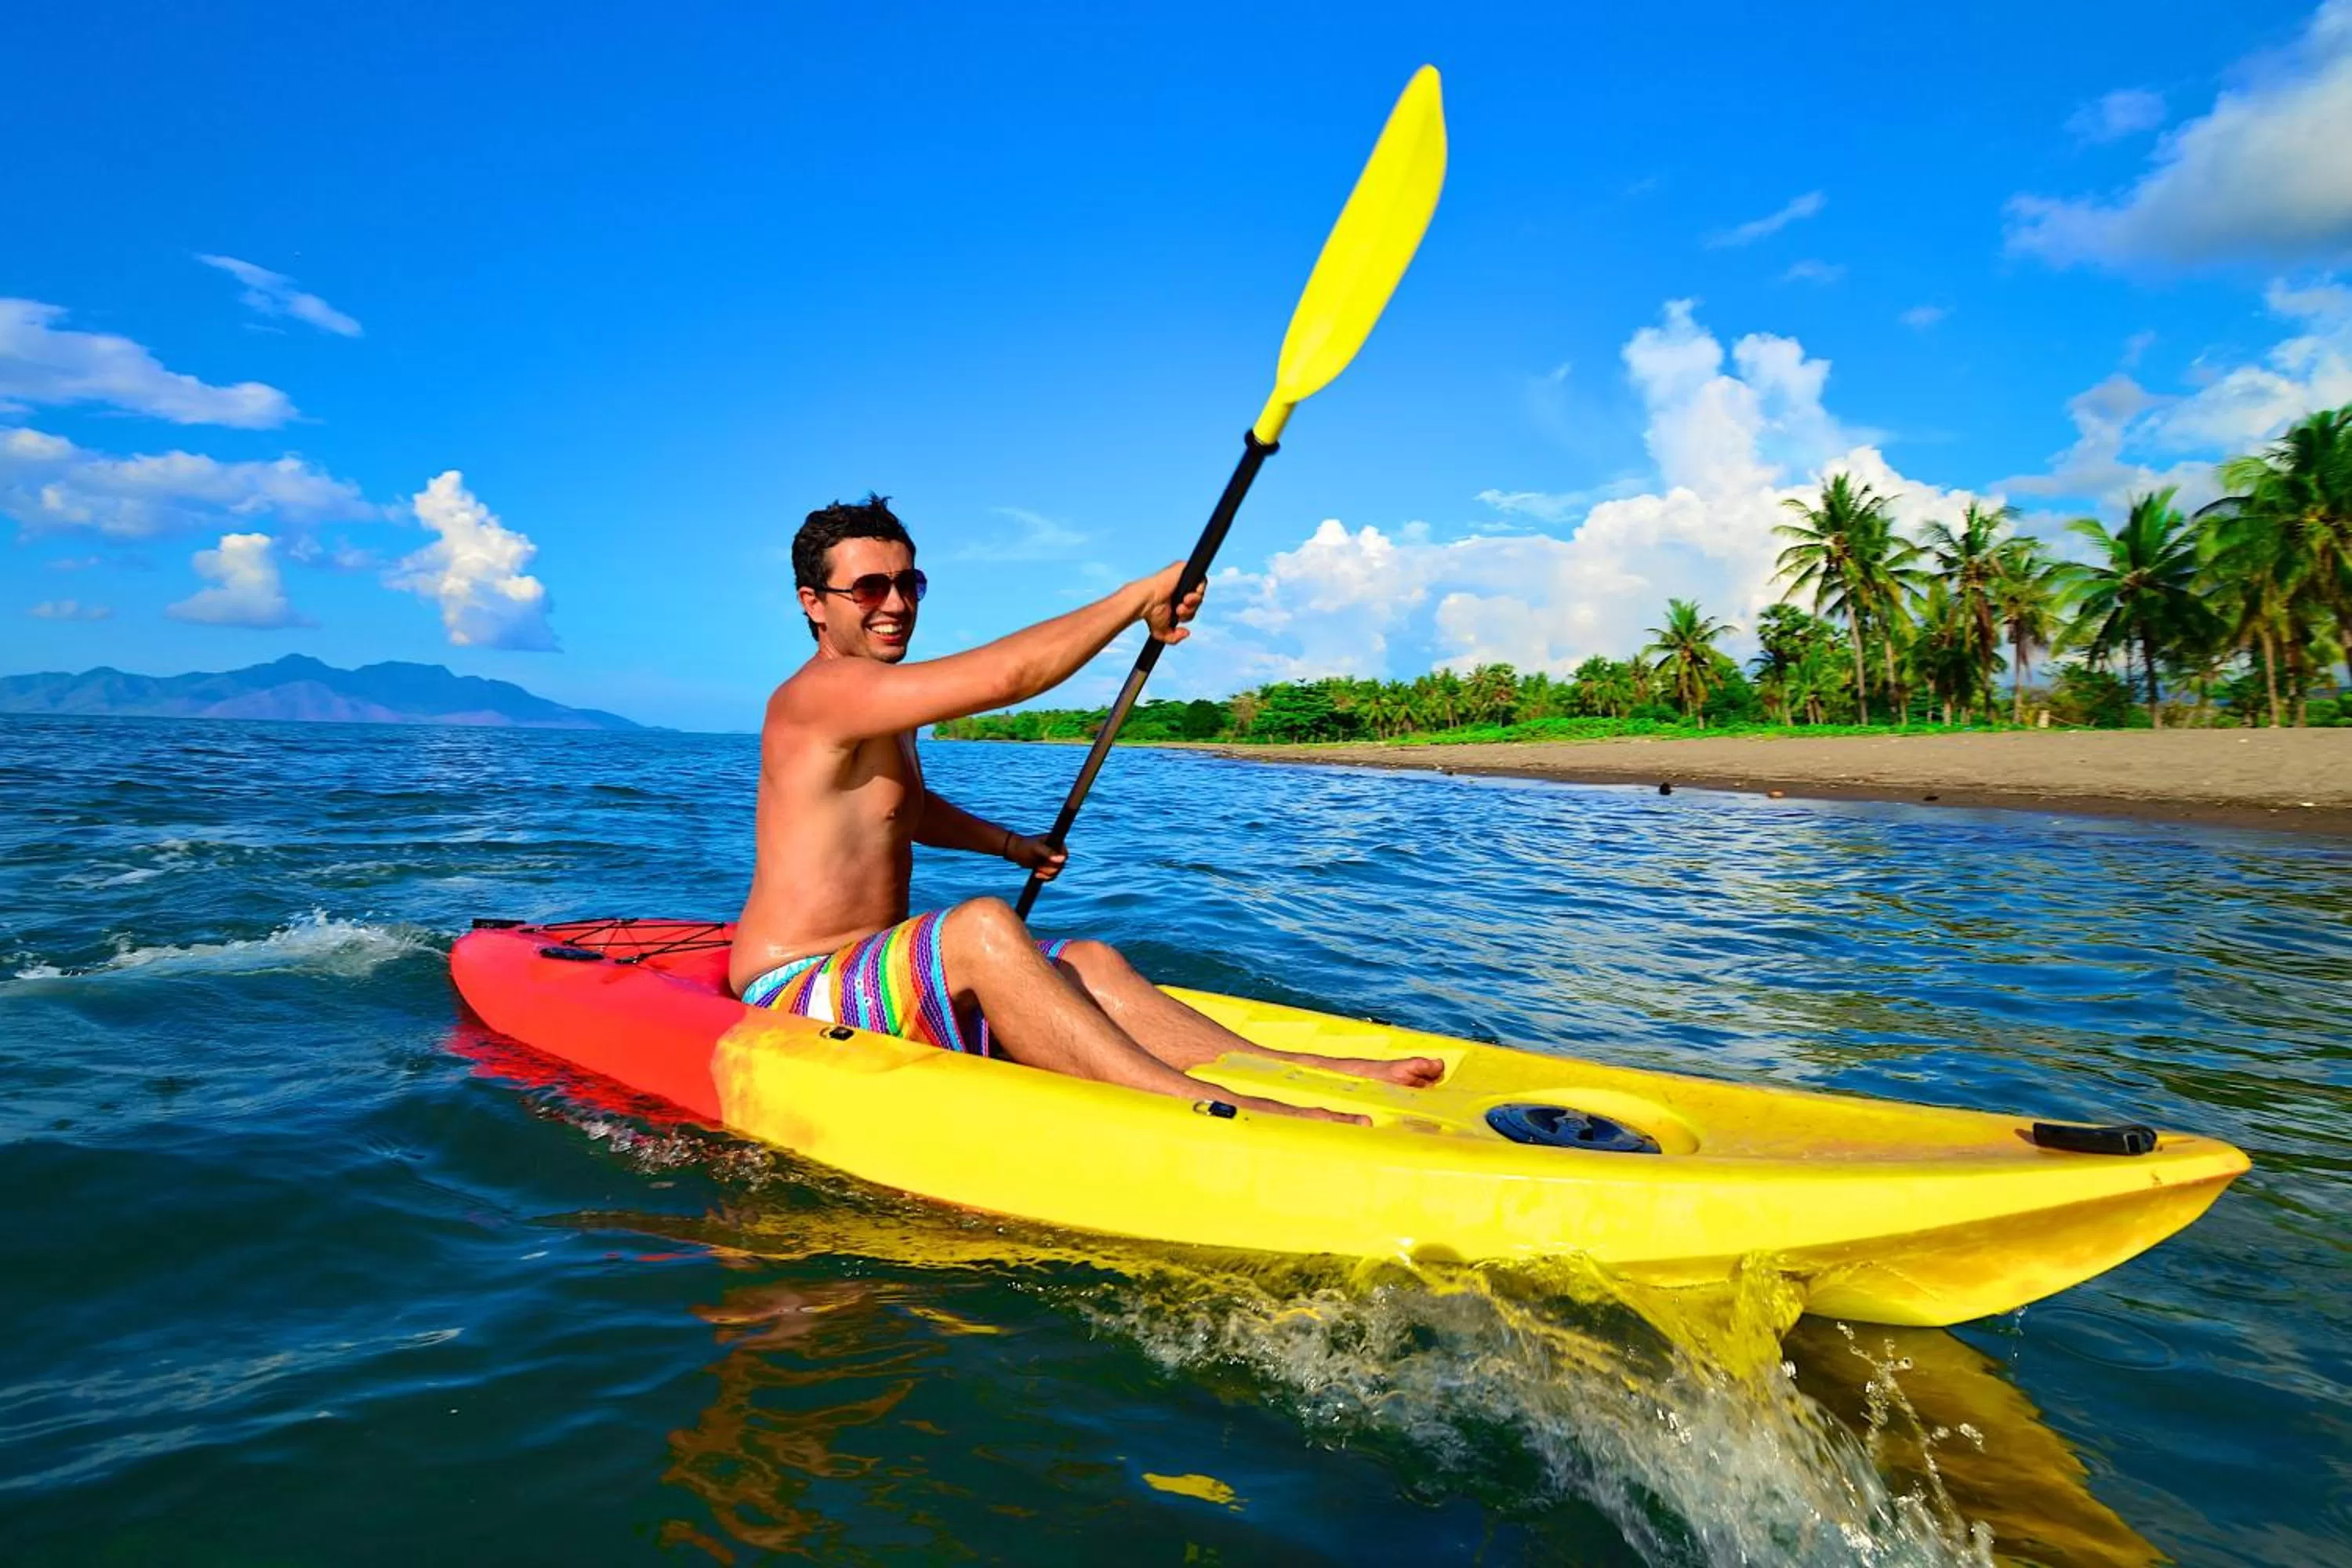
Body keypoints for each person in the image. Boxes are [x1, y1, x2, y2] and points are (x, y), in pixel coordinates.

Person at [727, 495, 1443, 1123]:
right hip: (795, 986)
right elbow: (1012, 675)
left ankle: (1282, 1069)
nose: (896, 604)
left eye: (908, 582)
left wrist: (1011, 846)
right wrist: (1138, 599)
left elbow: (898, 811)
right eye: (869, 587)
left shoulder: (885, 698)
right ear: (812, 602)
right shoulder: (821, 694)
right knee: (980, 927)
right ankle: (1187, 1105)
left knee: (1090, 961)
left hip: (873, 972)